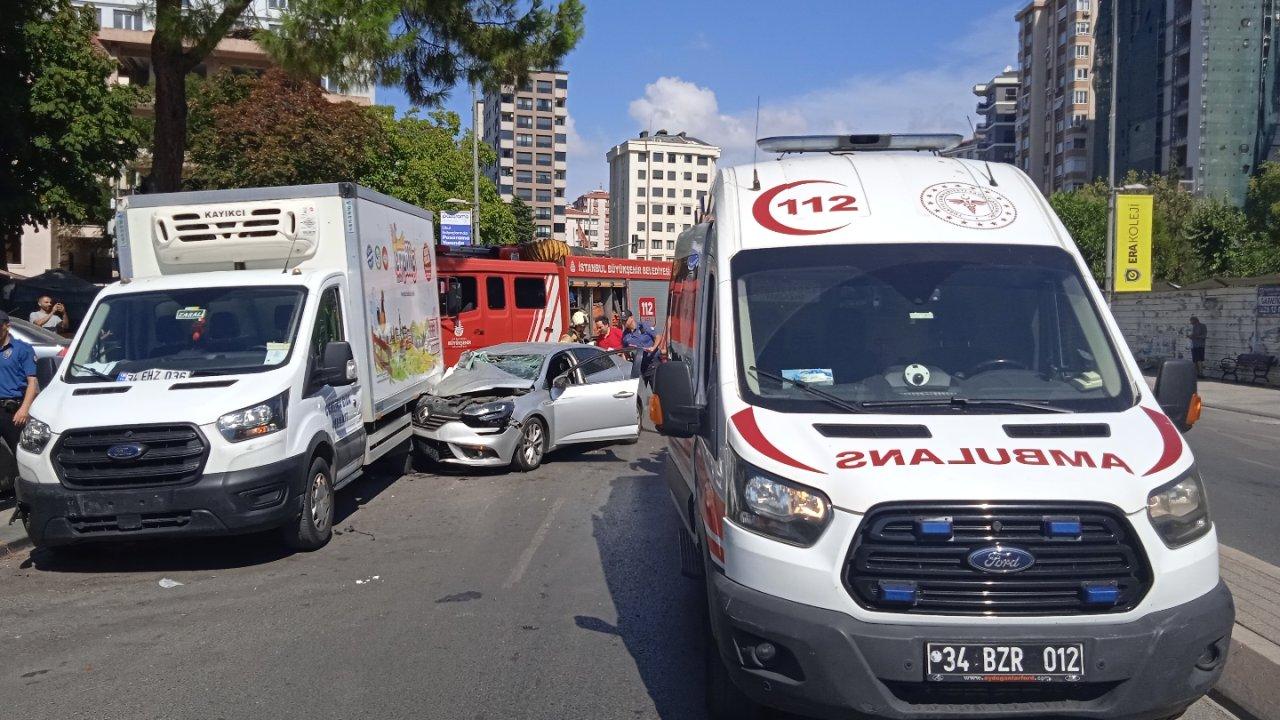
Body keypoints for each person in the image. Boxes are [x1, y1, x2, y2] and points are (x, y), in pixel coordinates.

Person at [0, 311, 38, 457]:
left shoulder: (22, 349)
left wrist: (24, 409)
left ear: (6, 326)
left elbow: (32, 382)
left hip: (12, 411)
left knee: (21, 454)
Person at [621, 309, 662, 382]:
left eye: (625, 320)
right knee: (640, 391)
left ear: (631, 318)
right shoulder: (625, 335)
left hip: (653, 363)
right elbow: (624, 351)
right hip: (639, 365)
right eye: (622, 321)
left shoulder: (643, 326)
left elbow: (658, 337)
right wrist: (626, 363)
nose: (624, 322)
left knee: (658, 389)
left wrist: (653, 348)